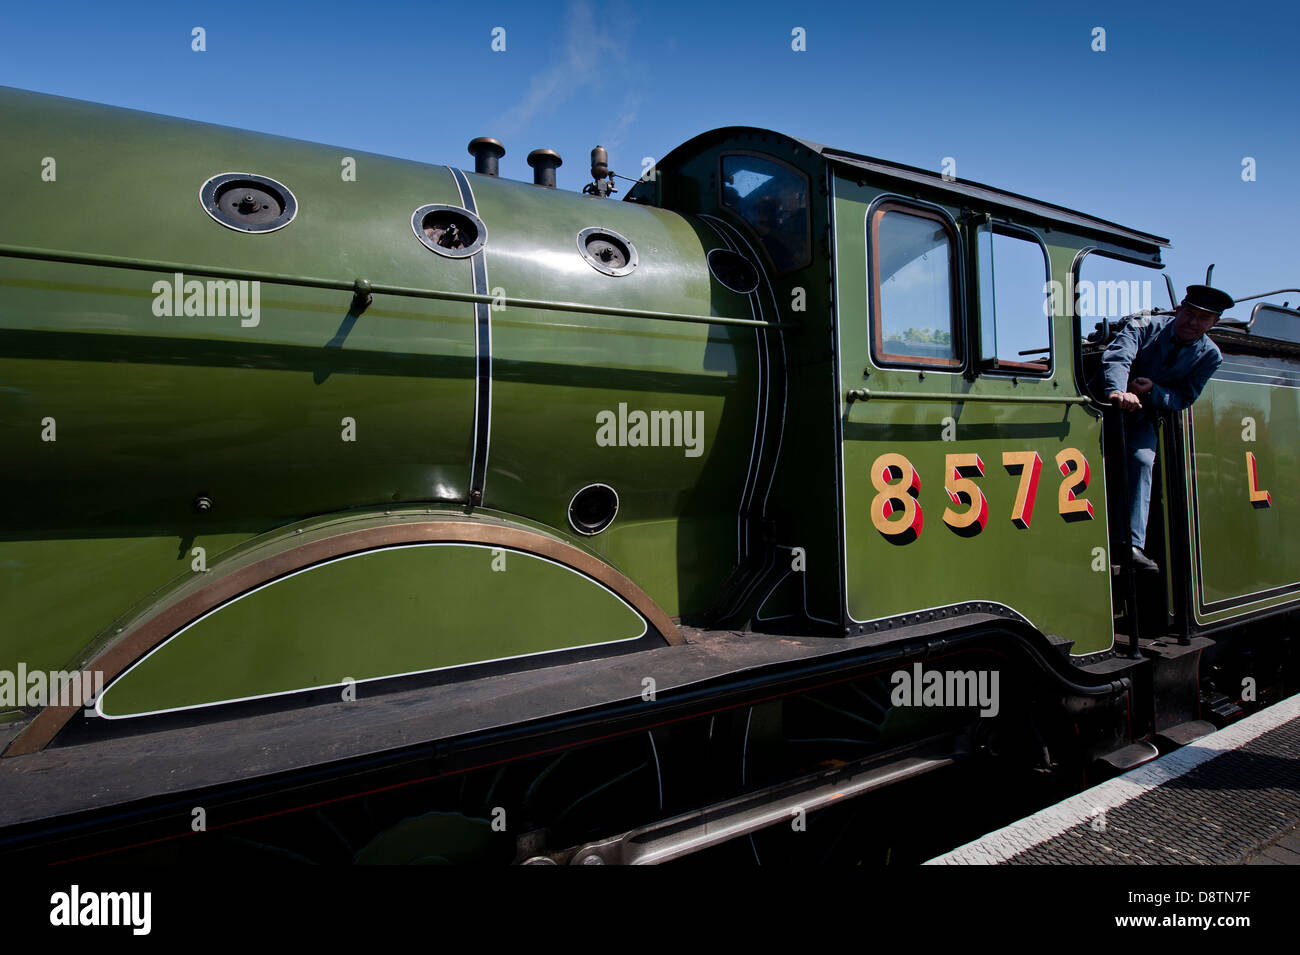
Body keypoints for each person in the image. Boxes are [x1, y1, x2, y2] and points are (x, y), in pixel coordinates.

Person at [1099, 284, 1234, 571]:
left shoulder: (1211, 356)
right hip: (1103, 407)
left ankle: (1131, 546)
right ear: (1178, 309)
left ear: (1214, 323)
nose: (1193, 323)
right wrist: (1118, 390)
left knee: (1142, 459)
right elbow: (1119, 356)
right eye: (1190, 313)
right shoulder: (1144, 325)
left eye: (1203, 318)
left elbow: (1185, 396)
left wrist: (1152, 391)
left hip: (1143, 416)